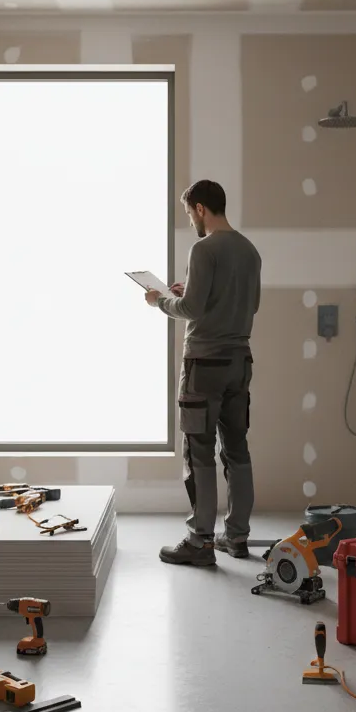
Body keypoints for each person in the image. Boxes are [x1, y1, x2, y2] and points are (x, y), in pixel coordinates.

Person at [142, 180, 262, 566]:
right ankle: (238, 538)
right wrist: (191, 290)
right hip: (239, 362)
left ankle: (200, 542)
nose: (191, 219)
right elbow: (248, 304)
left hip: (204, 364)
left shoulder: (204, 248)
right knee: (237, 450)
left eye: (189, 212)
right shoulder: (249, 250)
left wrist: (161, 300)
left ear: (199, 208)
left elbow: (191, 310)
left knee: (199, 453)